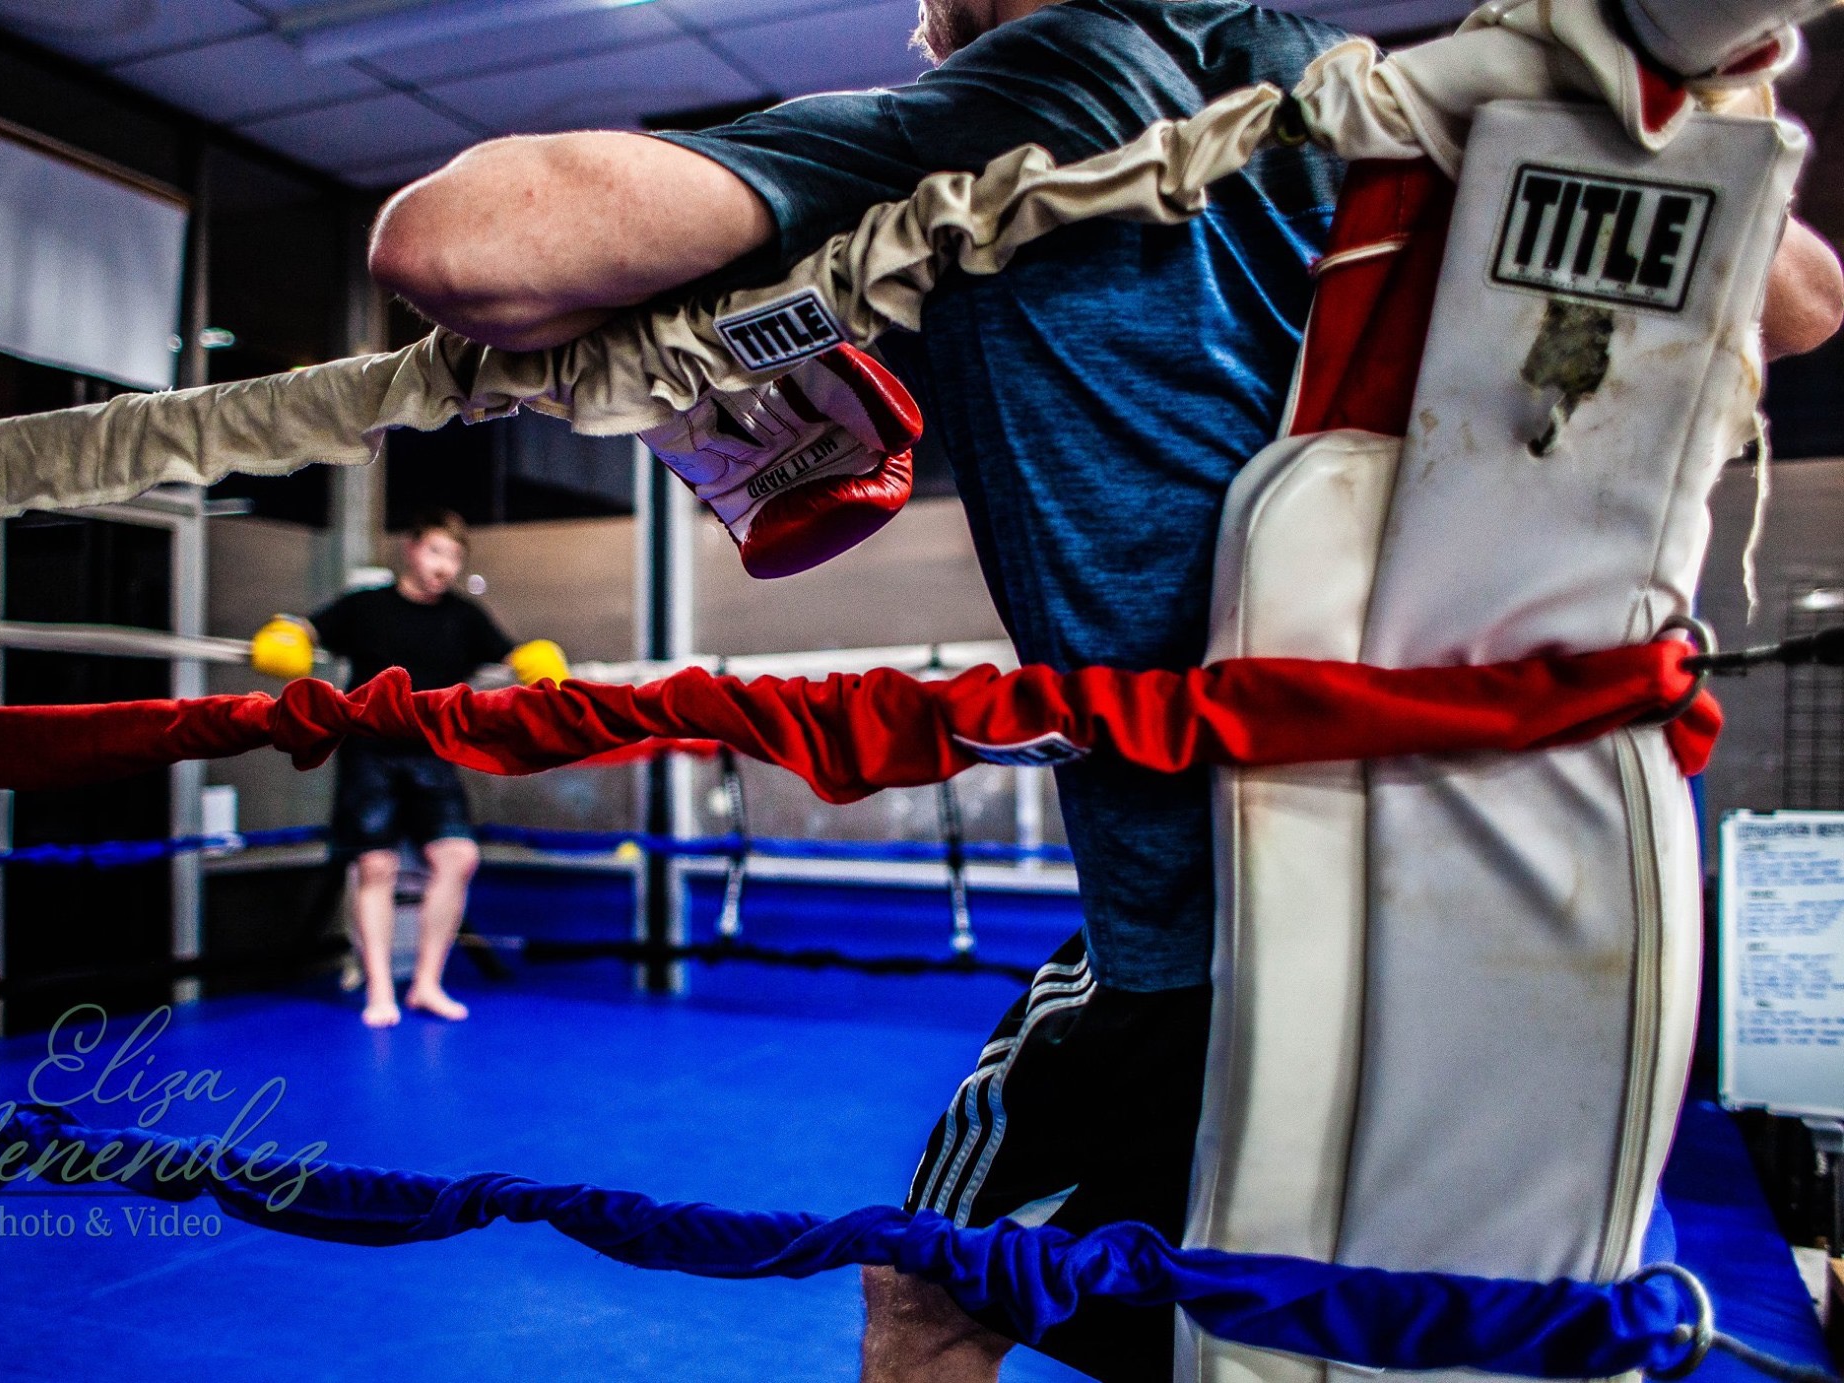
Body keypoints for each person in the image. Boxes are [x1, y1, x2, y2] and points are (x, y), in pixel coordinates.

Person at [365, 0, 1844, 1376]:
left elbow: (458, 248)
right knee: (1373, 1332)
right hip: (1504, 915)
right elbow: (1796, 299)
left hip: (1197, 942)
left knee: (932, 1281)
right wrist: (1644, 65)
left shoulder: (1009, 99)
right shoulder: (1372, 84)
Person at [274, 509, 519, 1028]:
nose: (445, 566)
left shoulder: (463, 617)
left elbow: (515, 658)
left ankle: (427, 984)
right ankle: (380, 990)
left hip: (434, 750)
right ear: (411, 549)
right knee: (375, 865)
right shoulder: (367, 608)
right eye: (436, 552)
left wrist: (539, 659)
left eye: (454, 557)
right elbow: (308, 628)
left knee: (458, 856)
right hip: (370, 751)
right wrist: (287, 636)